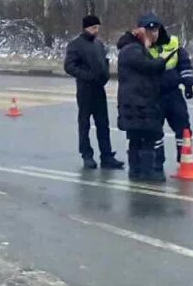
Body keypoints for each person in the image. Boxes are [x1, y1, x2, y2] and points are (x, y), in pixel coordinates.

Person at [116, 14, 173, 182]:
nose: (153, 35)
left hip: (136, 101)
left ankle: (137, 171)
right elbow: (148, 66)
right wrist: (162, 61)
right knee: (147, 136)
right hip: (139, 103)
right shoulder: (133, 50)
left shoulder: (133, 49)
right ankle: (145, 171)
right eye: (150, 32)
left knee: (136, 137)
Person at [64, 14, 123, 170]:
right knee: (84, 124)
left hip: (99, 89)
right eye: (93, 28)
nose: (96, 30)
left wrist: (106, 74)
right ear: (86, 28)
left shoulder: (98, 44)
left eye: (97, 28)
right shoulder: (75, 45)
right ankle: (87, 155)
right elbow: (69, 66)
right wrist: (87, 76)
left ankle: (107, 156)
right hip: (85, 89)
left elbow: (104, 61)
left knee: (103, 124)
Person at [149, 20, 193, 170]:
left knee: (183, 126)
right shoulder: (143, 47)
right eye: (150, 31)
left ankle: (185, 156)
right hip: (154, 95)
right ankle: (157, 160)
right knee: (155, 129)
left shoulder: (173, 43)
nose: (153, 34)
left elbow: (184, 64)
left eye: (155, 30)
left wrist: (188, 84)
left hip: (173, 93)